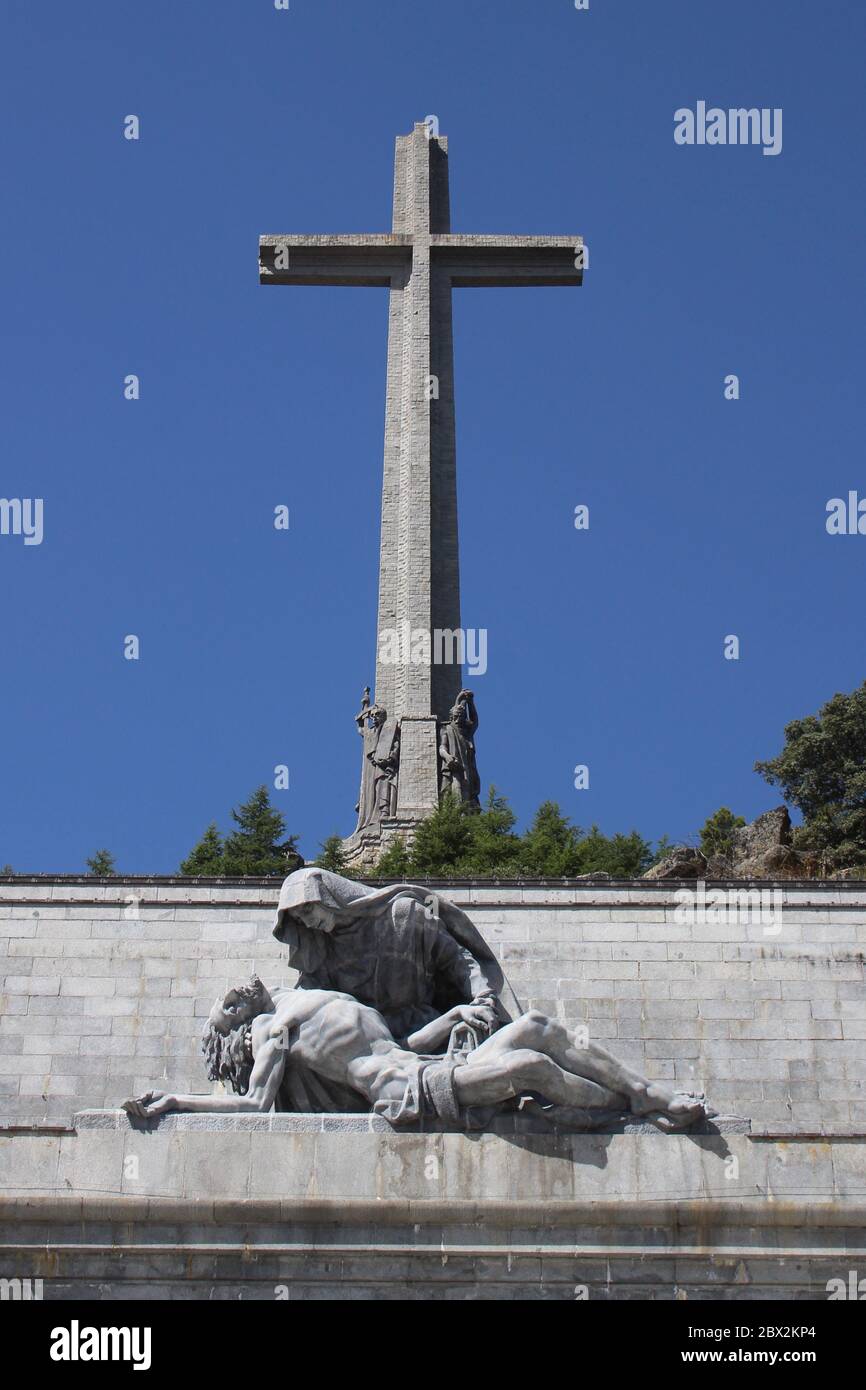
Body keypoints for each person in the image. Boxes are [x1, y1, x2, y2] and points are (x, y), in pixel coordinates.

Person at [123, 976, 710, 1133]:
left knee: (537, 1025)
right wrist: (176, 1101)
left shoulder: (306, 999)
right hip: (407, 1095)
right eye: (227, 1008)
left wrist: (451, 1018)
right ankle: (624, 1110)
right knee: (529, 1068)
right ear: (240, 1030)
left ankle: (643, 1094)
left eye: (227, 995)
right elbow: (254, 1106)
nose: (235, 992)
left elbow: (399, 1045)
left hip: (427, 1066)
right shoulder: (275, 1034)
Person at [272, 866, 521, 1042]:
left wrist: (483, 998)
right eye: (298, 919)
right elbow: (304, 997)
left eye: (307, 911)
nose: (306, 923)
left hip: (422, 1028)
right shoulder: (321, 948)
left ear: (328, 896)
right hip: (360, 1041)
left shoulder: (404, 913)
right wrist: (268, 1024)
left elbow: (458, 960)